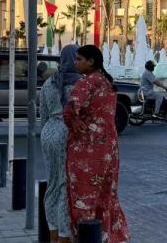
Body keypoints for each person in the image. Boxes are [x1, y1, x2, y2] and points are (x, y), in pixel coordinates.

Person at [64, 44, 130, 243]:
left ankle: (84, 237)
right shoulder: (106, 82)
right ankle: (106, 236)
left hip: (88, 148)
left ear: (91, 61)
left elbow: (70, 110)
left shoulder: (86, 84)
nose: (76, 63)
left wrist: (77, 126)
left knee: (83, 194)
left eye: (79, 59)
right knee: (106, 192)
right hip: (109, 147)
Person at [39, 45, 79, 243]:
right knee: (65, 184)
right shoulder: (79, 83)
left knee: (52, 182)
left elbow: (43, 115)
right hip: (66, 133)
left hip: (48, 133)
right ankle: (64, 235)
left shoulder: (49, 83)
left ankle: (52, 231)